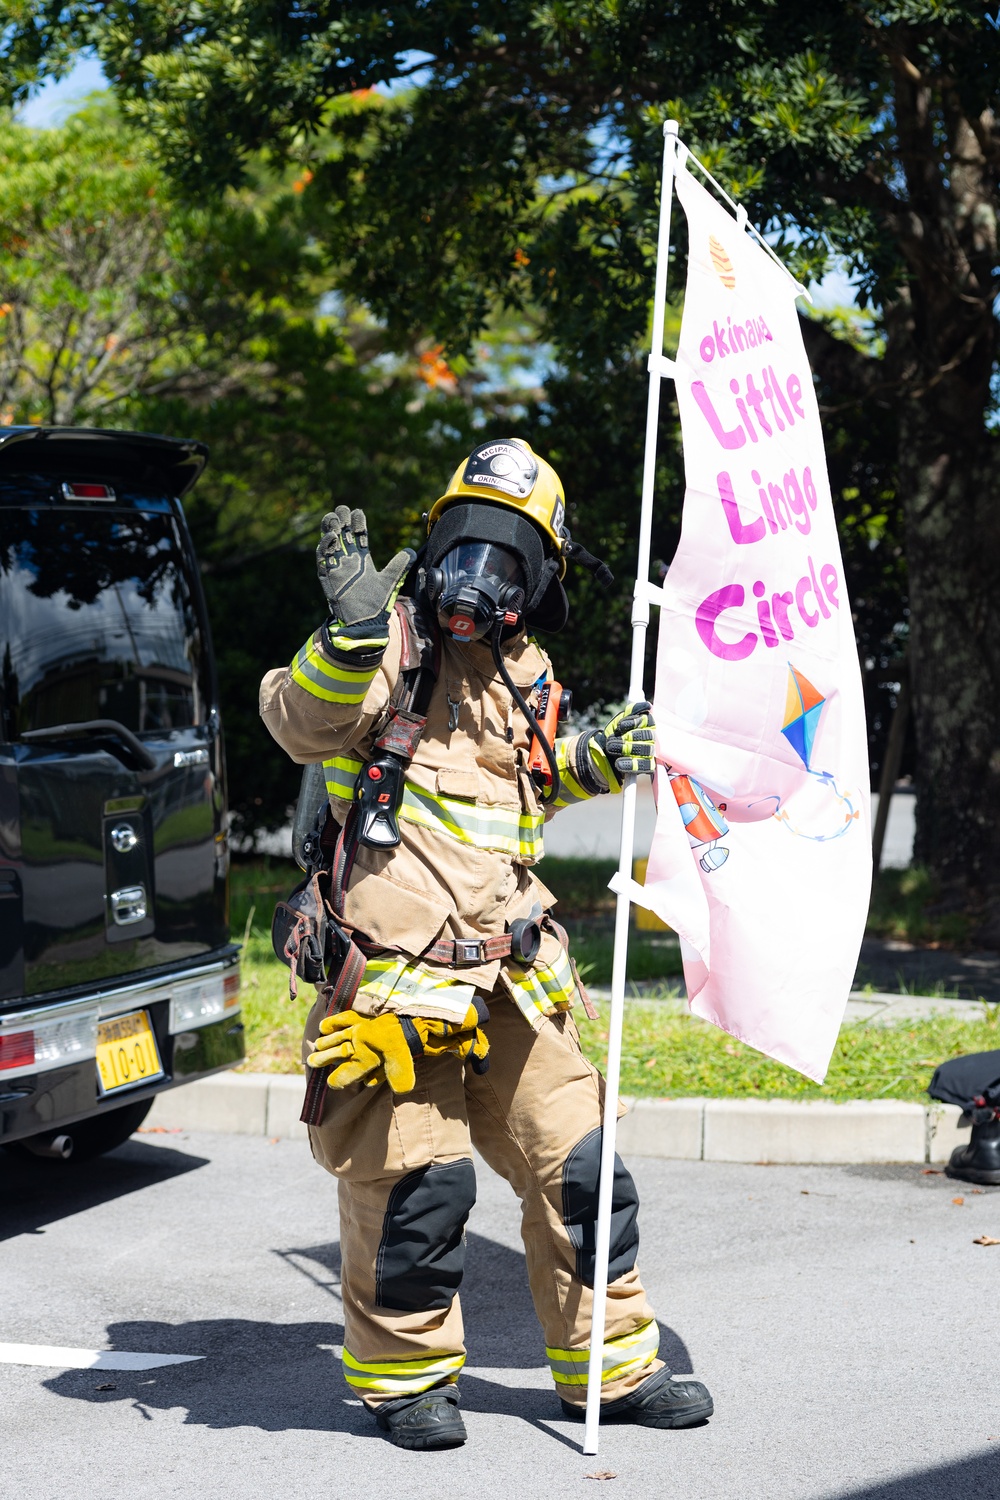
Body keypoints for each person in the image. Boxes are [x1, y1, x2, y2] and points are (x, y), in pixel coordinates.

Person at [259, 438, 713, 1451]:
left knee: (585, 1168)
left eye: (507, 555)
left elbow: (519, 794)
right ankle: (403, 1379)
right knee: (419, 1188)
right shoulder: (391, 643)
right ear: (432, 545)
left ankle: (613, 1365)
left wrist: (591, 762)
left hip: (509, 978)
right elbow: (299, 723)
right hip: (392, 990)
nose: (480, 573)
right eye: (467, 544)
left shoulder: (527, 670)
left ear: (541, 575)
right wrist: (348, 632)